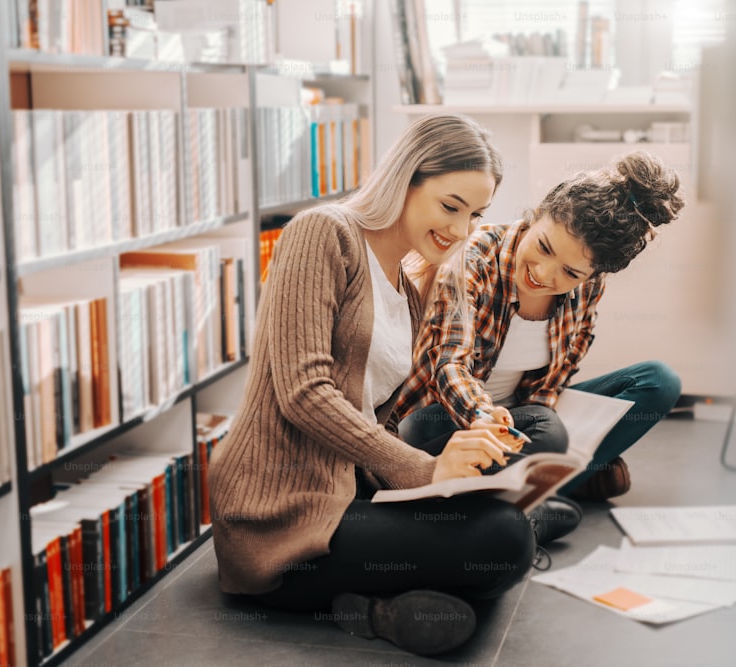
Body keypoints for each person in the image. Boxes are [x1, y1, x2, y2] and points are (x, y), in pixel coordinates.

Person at [208, 114, 536, 657]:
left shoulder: (407, 290)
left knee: (511, 471)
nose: (461, 230)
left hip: (350, 489)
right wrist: (423, 472)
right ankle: (377, 599)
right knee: (505, 541)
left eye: (475, 215)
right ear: (405, 179)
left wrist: (445, 477)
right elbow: (303, 392)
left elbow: (376, 417)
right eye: (450, 206)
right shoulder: (322, 234)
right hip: (286, 514)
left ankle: (376, 598)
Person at [396, 151, 685, 512]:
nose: (545, 275)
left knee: (659, 381)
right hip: (448, 419)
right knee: (546, 432)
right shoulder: (474, 257)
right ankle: (540, 498)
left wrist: (530, 433)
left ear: (592, 275)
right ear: (538, 214)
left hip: (523, 416)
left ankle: (521, 499)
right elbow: (448, 364)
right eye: (544, 247)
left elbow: (554, 380)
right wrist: (485, 418)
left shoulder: (589, 287)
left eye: (570, 273)